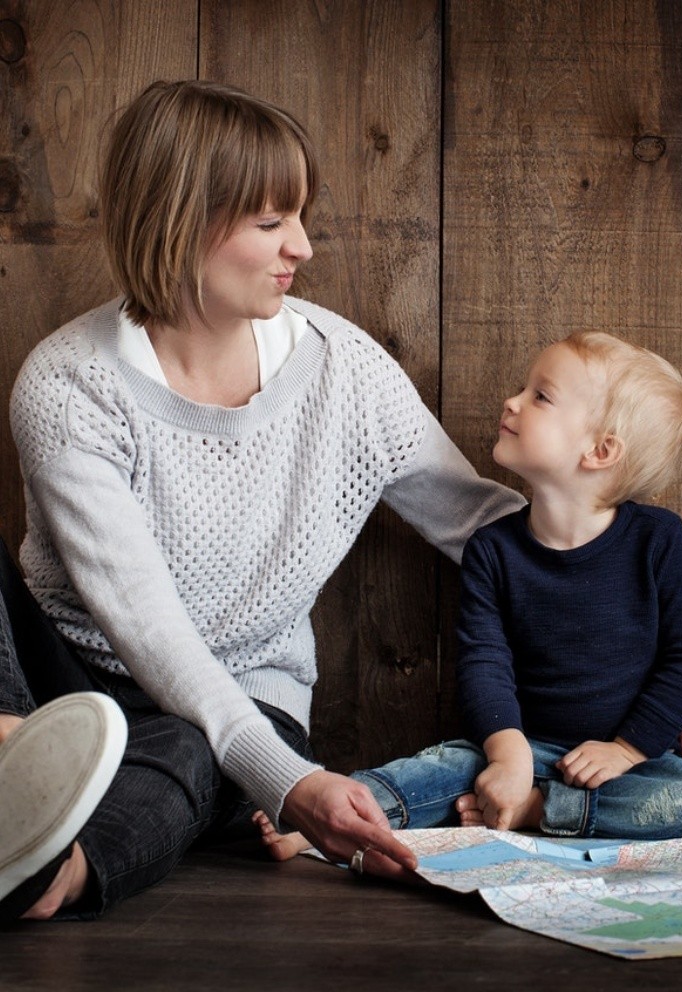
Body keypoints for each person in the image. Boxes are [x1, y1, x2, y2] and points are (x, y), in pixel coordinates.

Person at [0, 79, 524, 923]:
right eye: (272, 222)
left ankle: (45, 872)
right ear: (179, 219)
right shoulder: (68, 386)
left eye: (298, 218)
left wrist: (643, 634)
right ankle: (14, 749)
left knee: (195, 747)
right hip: (59, 682)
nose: (303, 249)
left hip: (242, 708)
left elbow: (482, 522)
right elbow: (147, 628)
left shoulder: (343, 370)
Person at [254, 329, 682, 864]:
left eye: (540, 396)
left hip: (623, 766)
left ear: (600, 451)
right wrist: (507, 754)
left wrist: (627, 749)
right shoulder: (494, 550)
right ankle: (332, 817)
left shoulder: (657, 540)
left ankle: (536, 811)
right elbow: (484, 661)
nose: (513, 401)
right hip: (517, 744)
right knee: (439, 767)